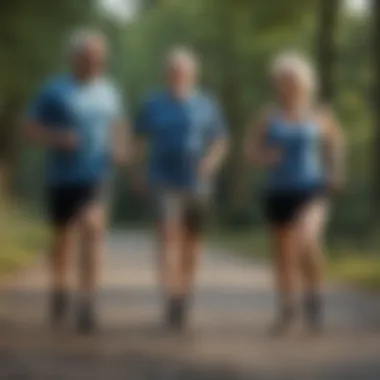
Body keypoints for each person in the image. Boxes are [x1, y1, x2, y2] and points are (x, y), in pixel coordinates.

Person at [23, 29, 129, 333]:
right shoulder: (53, 90)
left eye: (99, 57)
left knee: (93, 228)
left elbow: (118, 124)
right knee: (62, 239)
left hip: (96, 175)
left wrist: (120, 148)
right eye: (88, 57)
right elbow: (29, 128)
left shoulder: (110, 90)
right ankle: (59, 288)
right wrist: (56, 137)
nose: (95, 62)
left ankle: (87, 300)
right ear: (74, 58)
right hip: (61, 176)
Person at [244, 51, 345, 335]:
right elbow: (250, 150)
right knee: (283, 254)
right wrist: (264, 157)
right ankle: (288, 308)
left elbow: (335, 144)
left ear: (305, 83)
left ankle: (314, 296)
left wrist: (335, 171)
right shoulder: (267, 116)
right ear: (275, 84)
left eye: (293, 80)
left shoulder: (319, 114)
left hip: (311, 188)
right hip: (278, 190)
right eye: (282, 80)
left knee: (307, 240)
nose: (288, 85)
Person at [133, 47, 228, 330]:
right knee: (167, 236)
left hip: (197, 182)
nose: (178, 76)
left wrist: (210, 162)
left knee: (192, 242)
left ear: (193, 75)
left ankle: (184, 293)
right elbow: (138, 139)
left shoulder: (207, 103)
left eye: (183, 72)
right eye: (173, 71)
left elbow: (221, 141)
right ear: (165, 75)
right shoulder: (153, 103)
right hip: (163, 179)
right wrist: (137, 172)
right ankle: (170, 296)